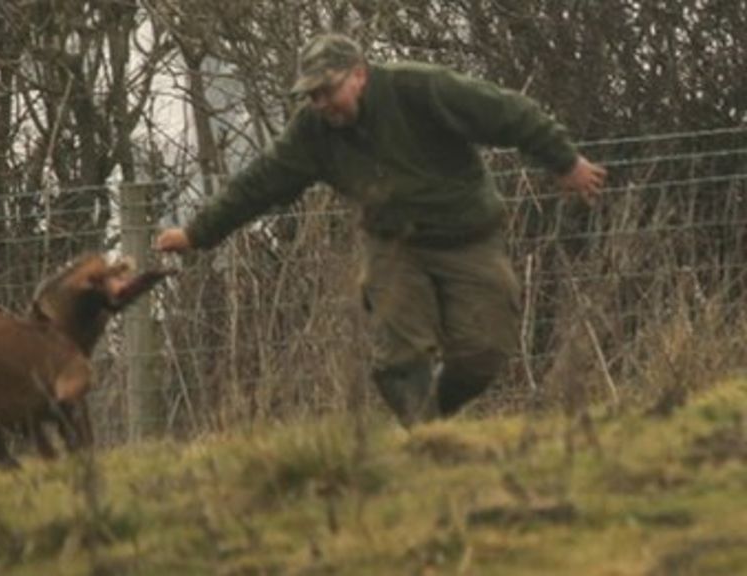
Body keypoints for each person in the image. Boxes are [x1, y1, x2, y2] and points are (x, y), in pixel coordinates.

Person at [155, 33, 606, 427]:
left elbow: (510, 112)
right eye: (312, 96)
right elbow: (259, 183)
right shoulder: (312, 132)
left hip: (469, 235)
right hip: (394, 245)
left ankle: (430, 422)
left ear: (359, 75)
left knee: (484, 351)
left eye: (328, 91)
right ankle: (429, 443)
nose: (322, 104)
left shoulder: (420, 88)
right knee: (401, 359)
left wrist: (565, 161)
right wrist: (197, 233)